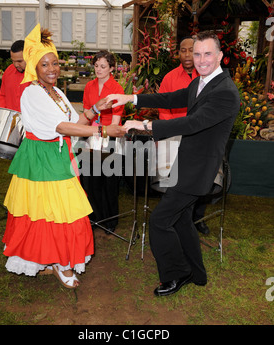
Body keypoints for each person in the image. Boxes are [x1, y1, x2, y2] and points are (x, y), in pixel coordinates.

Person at [105, 31, 240, 296]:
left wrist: (145, 124)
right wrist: (130, 99)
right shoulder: (203, 82)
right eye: (197, 53)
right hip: (187, 163)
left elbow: (192, 123)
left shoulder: (224, 92)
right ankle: (197, 274)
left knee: (160, 221)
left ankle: (177, 273)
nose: (200, 60)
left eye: (207, 54)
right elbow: (170, 99)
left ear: (221, 56)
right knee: (181, 221)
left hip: (198, 171)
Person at [2, 24, 125, 289]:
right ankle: (56, 261)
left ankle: (58, 260)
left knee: (64, 211)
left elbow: (75, 120)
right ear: (35, 67)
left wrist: (95, 109)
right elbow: (61, 128)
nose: (52, 69)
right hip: (40, 158)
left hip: (58, 156)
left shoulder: (56, 92)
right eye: (44, 65)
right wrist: (103, 128)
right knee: (48, 213)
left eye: (55, 63)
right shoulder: (32, 92)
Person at [158, 37, 210, 235]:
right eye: (183, 50)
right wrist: (171, 134)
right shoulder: (170, 78)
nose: (187, 55)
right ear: (178, 53)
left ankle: (197, 219)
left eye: (192, 51)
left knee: (199, 181)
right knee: (176, 182)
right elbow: (164, 108)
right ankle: (176, 219)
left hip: (200, 139)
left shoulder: (207, 77)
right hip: (175, 138)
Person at [80, 50, 125, 234]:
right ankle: (94, 217)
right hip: (92, 136)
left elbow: (115, 121)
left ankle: (110, 221)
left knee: (109, 181)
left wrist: (103, 136)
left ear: (112, 68)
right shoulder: (89, 86)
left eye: (103, 66)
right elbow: (86, 113)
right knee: (90, 180)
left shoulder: (117, 89)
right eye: (96, 65)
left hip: (110, 137)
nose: (99, 69)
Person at [0, 40, 30, 112]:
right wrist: (2, 113)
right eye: (13, 61)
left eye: (19, 61)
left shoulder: (40, 74)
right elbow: (2, 96)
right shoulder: (9, 71)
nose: (15, 65)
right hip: (10, 120)